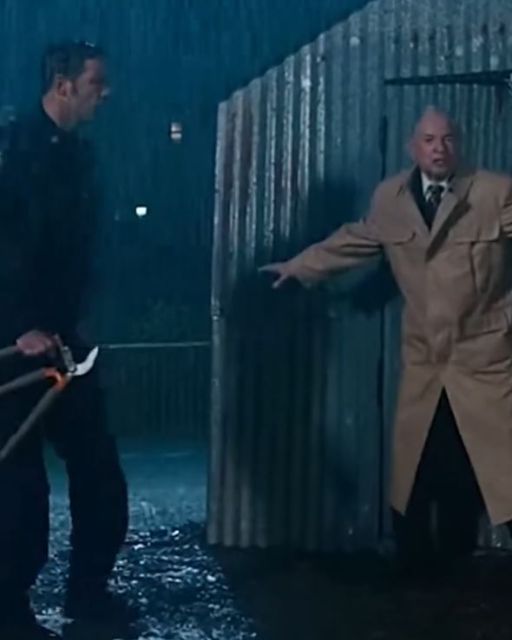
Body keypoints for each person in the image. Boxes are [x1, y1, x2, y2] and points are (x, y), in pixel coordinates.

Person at [261, 107, 512, 577]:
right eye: (429, 140)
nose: (439, 149)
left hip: (483, 356)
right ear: (412, 148)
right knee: (417, 462)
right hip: (425, 358)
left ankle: (457, 549)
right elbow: (354, 240)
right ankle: (416, 563)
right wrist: (300, 267)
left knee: (501, 461)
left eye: (447, 139)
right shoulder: (391, 198)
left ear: (460, 144)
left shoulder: (494, 193)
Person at [0, 41, 129, 639]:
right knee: (18, 485)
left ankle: (88, 593)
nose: (106, 94)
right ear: (62, 83)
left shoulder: (79, 157)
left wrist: (84, 316)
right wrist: (16, 323)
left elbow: (79, 252)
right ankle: (7, 609)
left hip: (67, 342)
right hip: (16, 348)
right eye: (96, 82)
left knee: (100, 472)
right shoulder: (12, 151)